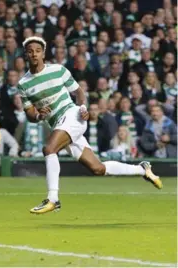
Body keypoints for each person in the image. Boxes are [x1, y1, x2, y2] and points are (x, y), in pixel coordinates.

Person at [17, 37, 162, 214]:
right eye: (30, 51)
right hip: (59, 125)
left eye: (37, 50)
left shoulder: (58, 70)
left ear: (43, 53)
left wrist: (83, 108)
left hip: (72, 116)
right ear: (26, 54)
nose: (34, 54)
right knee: (98, 168)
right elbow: (30, 114)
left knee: (49, 149)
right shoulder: (23, 84)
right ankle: (142, 169)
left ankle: (53, 199)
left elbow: (79, 92)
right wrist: (39, 115)